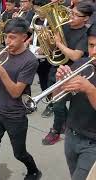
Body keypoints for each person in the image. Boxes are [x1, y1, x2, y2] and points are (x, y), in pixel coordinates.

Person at [0, 17, 41, 180]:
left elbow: (16, 92)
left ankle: (34, 171)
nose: (7, 41)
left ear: (24, 37)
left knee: (19, 153)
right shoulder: (3, 53)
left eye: (12, 37)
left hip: (15, 115)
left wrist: (1, 71)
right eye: (5, 36)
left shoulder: (30, 60)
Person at [41, 1, 93, 145]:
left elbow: (76, 56)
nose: (71, 16)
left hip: (73, 71)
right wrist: (47, 44)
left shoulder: (85, 33)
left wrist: (58, 43)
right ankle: (64, 122)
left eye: (76, 15)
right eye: (71, 12)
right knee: (55, 100)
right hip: (56, 68)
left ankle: (56, 131)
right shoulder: (63, 26)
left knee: (58, 104)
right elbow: (53, 47)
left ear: (86, 18)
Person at [55, 23, 96, 180]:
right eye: (91, 45)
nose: (94, 51)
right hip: (71, 135)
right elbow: (57, 99)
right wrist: (60, 82)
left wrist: (90, 89)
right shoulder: (81, 64)